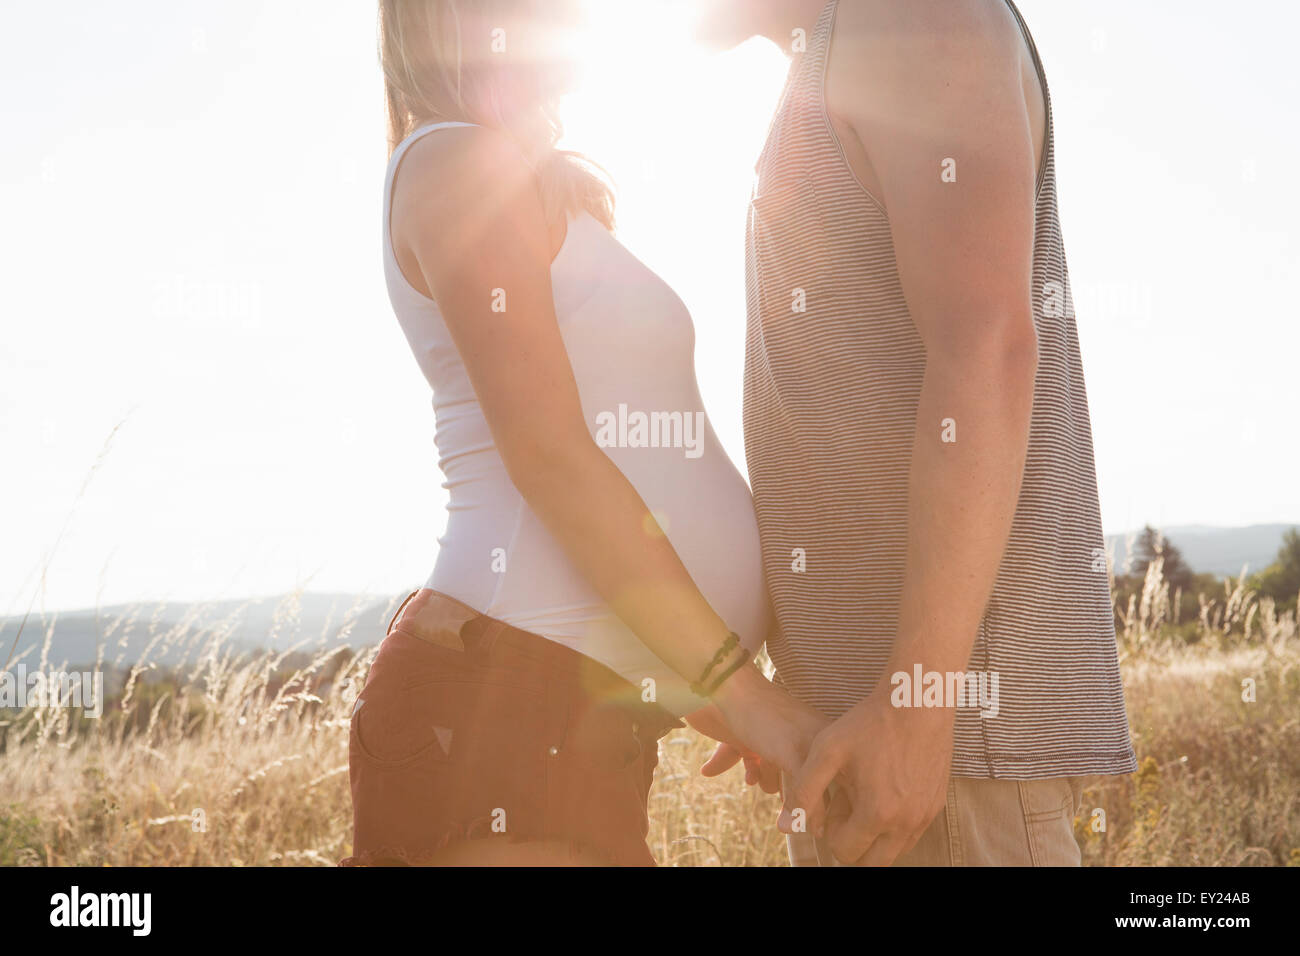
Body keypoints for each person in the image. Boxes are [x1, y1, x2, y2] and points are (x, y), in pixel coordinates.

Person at [342, 0, 824, 867]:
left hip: (565, 706)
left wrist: (699, 687)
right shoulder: (453, 163)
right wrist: (738, 690)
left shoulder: (533, 185)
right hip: (494, 705)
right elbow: (551, 457)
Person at [694, 0, 1137, 865]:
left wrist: (919, 704)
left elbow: (988, 348)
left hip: (948, 749)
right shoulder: (837, 50)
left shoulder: (908, 15)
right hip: (877, 746)